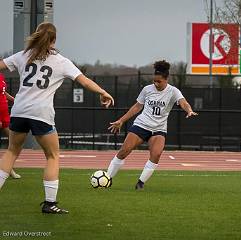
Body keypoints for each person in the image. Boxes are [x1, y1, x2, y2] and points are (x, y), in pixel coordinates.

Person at [0, 22, 114, 213]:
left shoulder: (23, 55)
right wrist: (103, 92)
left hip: (19, 111)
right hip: (41, 114)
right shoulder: (61, 61)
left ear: (37, 36)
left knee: (11, 152)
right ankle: (50, 204)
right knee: (52, 156)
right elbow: (84, 81)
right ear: (54, 40)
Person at [106, 60, 197, 190]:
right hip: (141, 125)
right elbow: (137, 107)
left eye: (159, 81)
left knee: (156, 154)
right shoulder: (147, 89)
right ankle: (107, 179)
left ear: (166, 79)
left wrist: (189, 110)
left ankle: (140, 183)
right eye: (154, 80)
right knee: (124, 151)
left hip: (159, 129)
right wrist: (121, 120)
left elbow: (183, 102)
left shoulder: (173, 91)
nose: (156, 83)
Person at [0, 73, 21, 179]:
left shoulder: (2, 76)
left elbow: (3, 92)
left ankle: (8, 168)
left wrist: (13, 99)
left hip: (5, 114)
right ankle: (8, 170)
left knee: (14, 142)